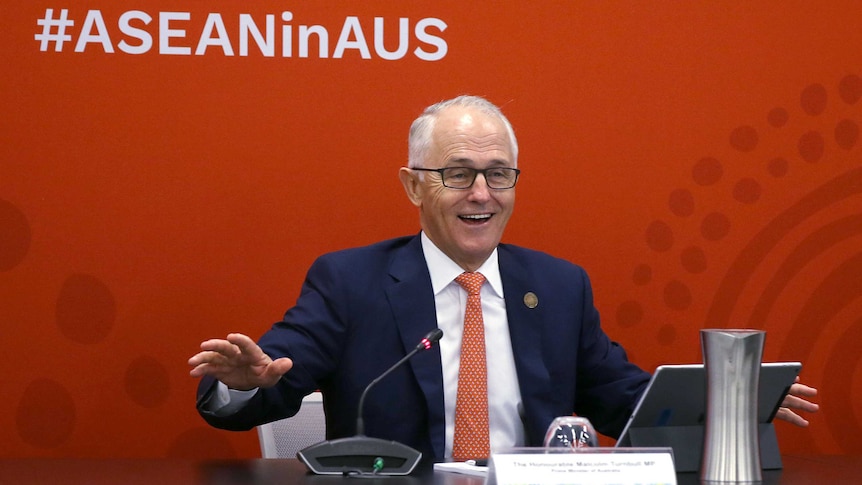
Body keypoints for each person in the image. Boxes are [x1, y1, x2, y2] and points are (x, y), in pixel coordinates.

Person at [188, 95, 818, 463]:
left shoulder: (560, 285)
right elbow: (273, 380)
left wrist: (725, 403)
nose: (482, 195)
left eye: (500, 173)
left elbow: (621, 397)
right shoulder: (350, 281)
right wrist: (239, 385)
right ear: (414, 184)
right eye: (458, 173)